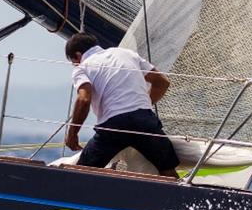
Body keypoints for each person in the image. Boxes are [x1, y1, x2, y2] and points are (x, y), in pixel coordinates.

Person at [64, 32, 180, 177]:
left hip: (113, 125)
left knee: (82, 173)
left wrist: (72, 134)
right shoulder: (127, 53)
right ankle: (186, 199)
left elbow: (84, 99)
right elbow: (162, 82)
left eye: (73, 62)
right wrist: (142, 105)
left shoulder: (82, 67)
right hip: (144, 119)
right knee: (167, 169)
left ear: (78, 55)